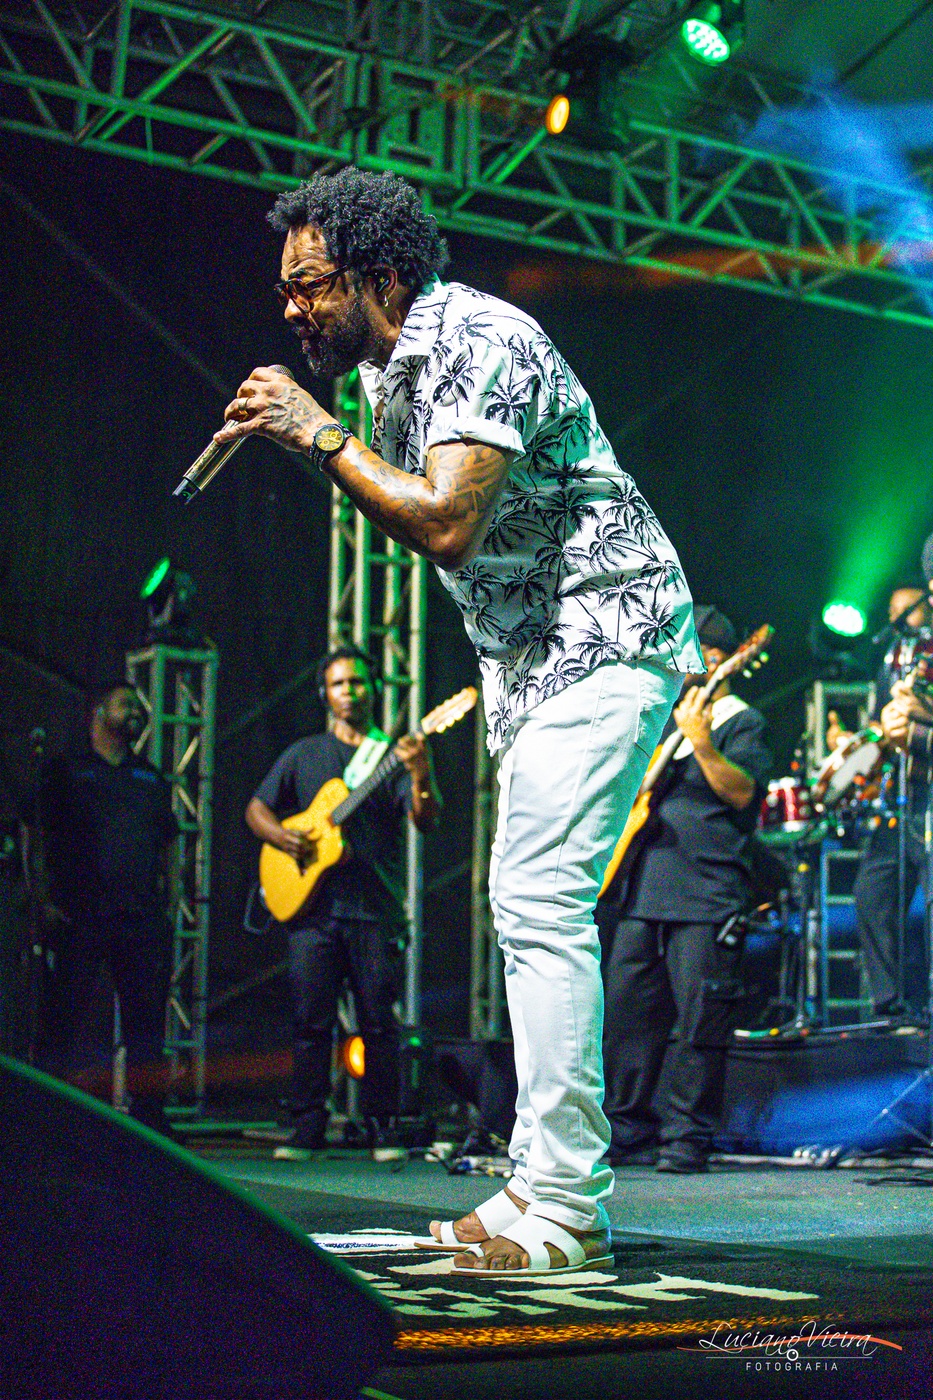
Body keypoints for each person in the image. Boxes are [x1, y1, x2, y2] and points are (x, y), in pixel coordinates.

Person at [214, 167, 701, 1275]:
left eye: (310, 284)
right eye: (286, 288)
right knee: (525, 906)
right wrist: (326, 433)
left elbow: (444, 524)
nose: (290, 308)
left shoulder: (478, 338)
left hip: (604, 633)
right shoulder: (389, 376)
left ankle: (568, 1202)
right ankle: (535, 1178)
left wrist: (316, 434)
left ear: (382, 276)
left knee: (537, 898)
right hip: (535, 665)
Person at [245, 646, 440, 1156]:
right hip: (312, 913)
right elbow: (256, 809)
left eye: (357, 682)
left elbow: (425, 819)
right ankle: (307, 1127)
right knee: (311, 1023)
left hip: (374, 910)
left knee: (379, 1022)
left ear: (374, 689)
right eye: (338, 684)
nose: (349, 691)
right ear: (324, 694)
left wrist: (420, 773)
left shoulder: (391, 756)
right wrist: (285, 839)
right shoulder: (304, 754)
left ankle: (382, 1126)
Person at [599, 606, 771, 1174]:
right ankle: (626, 1129)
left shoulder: (742, 721)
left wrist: (703, 743)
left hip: (707, 896)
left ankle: (686, 1138)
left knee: (700, 1024)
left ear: (713, 658)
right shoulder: (665, 725)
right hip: (642, 894)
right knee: (628, 1020)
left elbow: (742, 793)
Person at [33, 684, 177, 1130]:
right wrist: (41, 898)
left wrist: (171, 901)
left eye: (138, 707)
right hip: (80, 914)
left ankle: (148, 1118)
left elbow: (169, 842)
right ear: (99, 711)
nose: (135, 712)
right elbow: (33, 832)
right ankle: (42, 1113)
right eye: (125, 704)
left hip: (139, 917)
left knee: (146, 1023)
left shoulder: (149, 777)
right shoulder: (66, 770)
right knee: (62, 1017)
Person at [826, 585, 932, 1021]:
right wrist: (852, 748)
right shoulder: (894, 658)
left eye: (906, 608)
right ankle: (891, 1004)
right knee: (872, 893)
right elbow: (881, 728)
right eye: (891, 610)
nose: (897, 616)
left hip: (929, 794)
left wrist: (917, 718)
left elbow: (915, 716)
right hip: (900, 800)